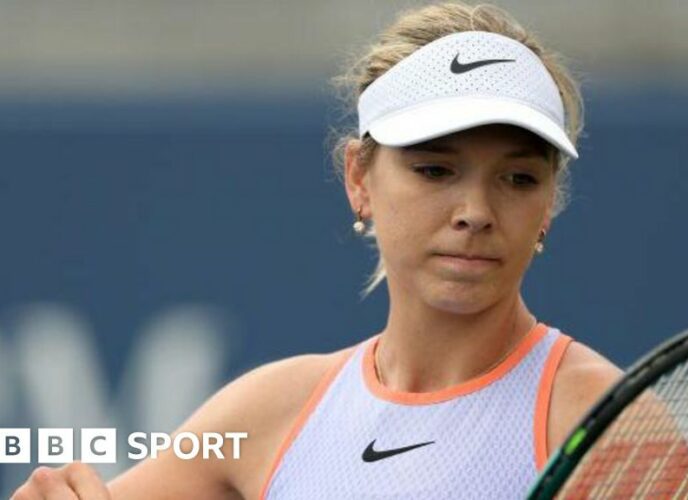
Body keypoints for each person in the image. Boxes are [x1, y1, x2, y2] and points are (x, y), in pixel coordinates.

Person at [11, 2, 622, 499]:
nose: (477, 212)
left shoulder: (604, 418)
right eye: (435, 170)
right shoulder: (269, 410)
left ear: (549, 204)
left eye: (519, 179)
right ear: (360, 178)